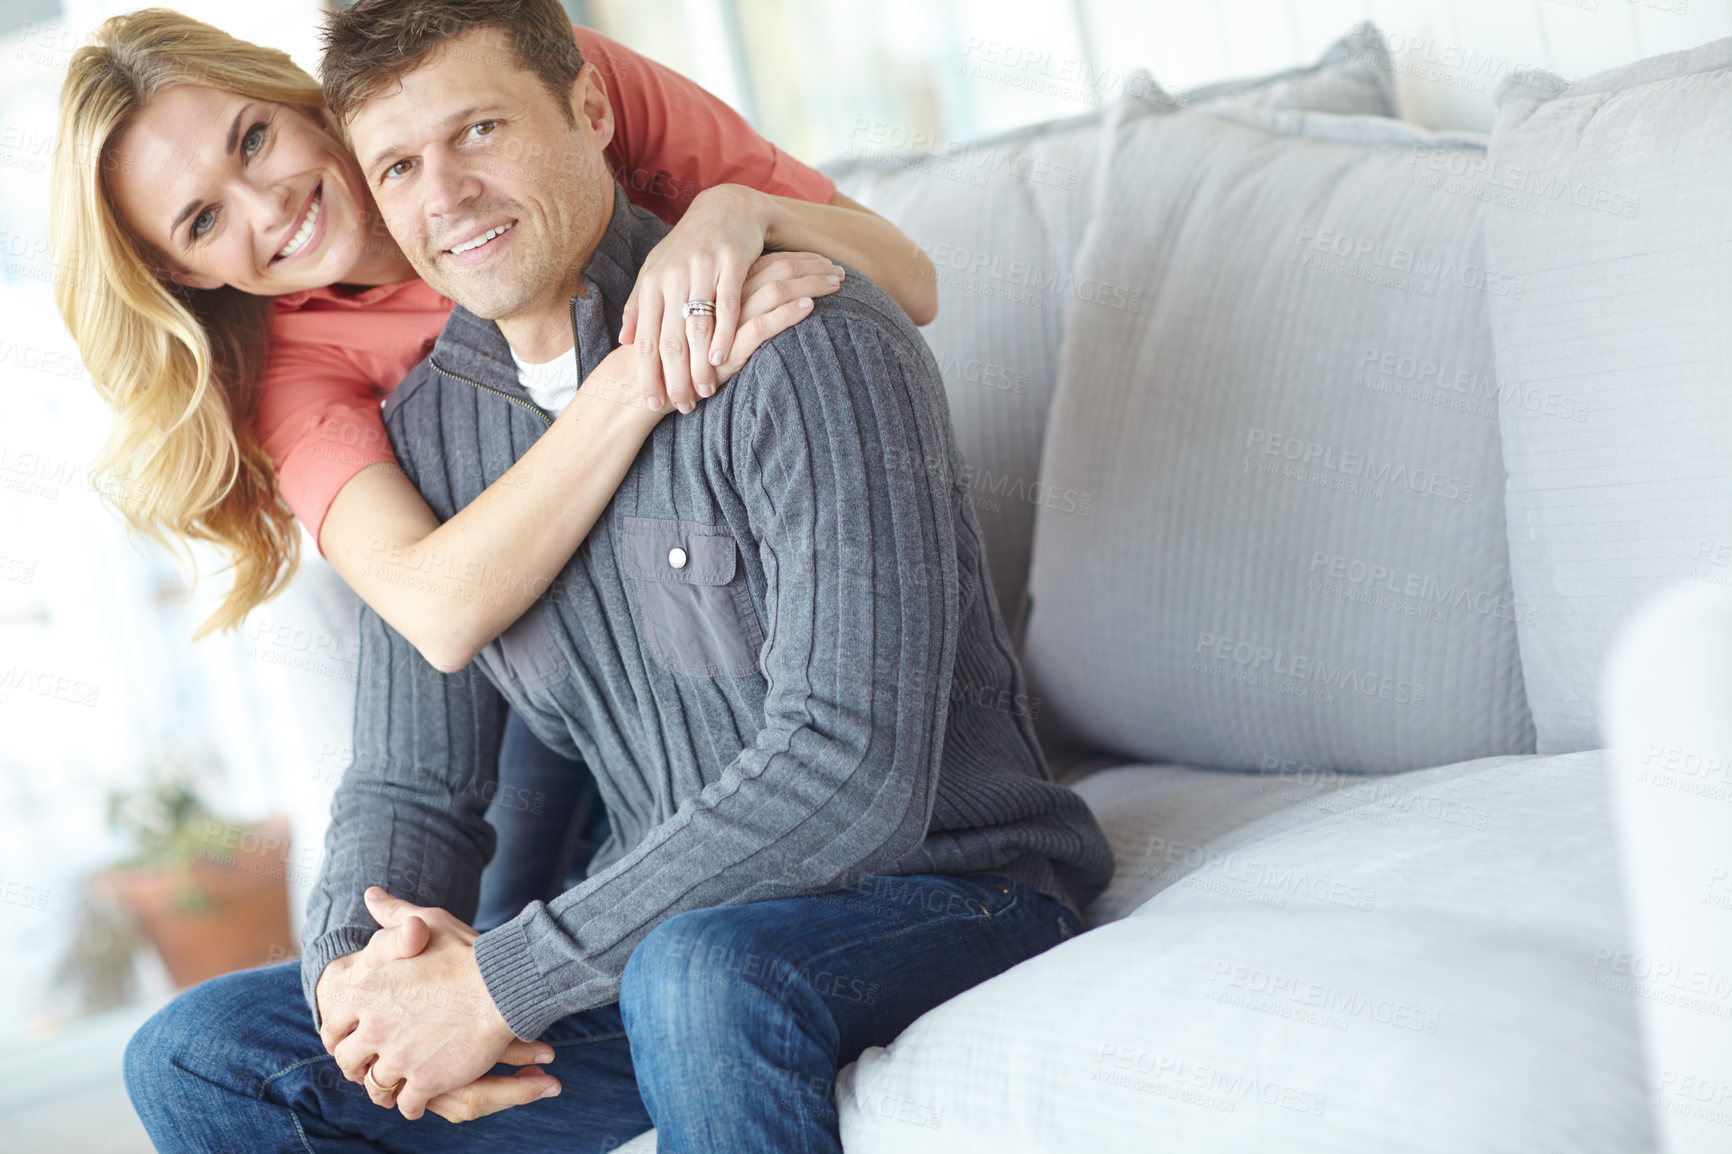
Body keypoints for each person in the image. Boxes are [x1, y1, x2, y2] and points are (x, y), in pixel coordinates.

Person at [122, 1, 1115, 1150]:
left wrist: (504, 978)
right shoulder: (427, 435)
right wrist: (361, 980)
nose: (444, 195)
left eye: (481, 131)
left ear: (589, 110)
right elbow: (409, 785)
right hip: (666, 946)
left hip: (946, 889)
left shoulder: (799, 329)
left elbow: (853, 766)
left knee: (697, 971)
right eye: (400, 163)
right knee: (204, 1053)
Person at [51, 8, 939, 927]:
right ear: (187, 275)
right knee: (491, 934)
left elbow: (910, 283)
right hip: (547, 635)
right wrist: (635, 376)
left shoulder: (523, 86)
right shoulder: (298, 364)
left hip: (729, 550)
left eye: (254, 139)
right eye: (203, 221)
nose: (267, 206)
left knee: (578, 955)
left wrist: (739, 211)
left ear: (296, 98)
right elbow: (436, 609)